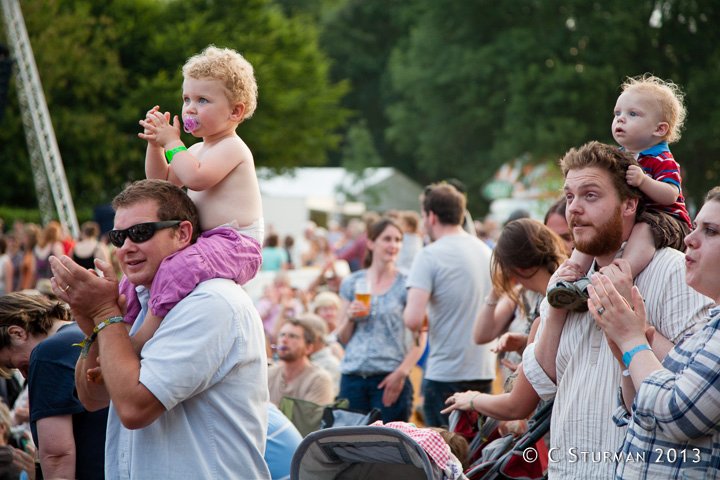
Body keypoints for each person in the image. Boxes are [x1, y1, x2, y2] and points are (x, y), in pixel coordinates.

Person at [49, 179, 270, 479]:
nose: (127, 247)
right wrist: (94, 329)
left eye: (140, 233)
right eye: (118, 237)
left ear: (182, 233)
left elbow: (133, 408)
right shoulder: (138, 300)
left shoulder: (212, 302)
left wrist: (104, 313)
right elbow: (93, 398)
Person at [521, 142, 711, 478]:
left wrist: (635, 329)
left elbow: (698, 389)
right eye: (569, 197)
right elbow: (543, 384)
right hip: (568, 470)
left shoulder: (675, 273)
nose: (574, 209)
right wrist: (556, 310)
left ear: (629, 204)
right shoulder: (566, 280)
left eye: (590, 196)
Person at [130, 44, 264, 350]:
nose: (189, 108)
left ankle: (142, 338)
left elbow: (195, 179)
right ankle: (124, 320)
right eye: (186, 99)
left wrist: (173, 141)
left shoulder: (232, 147)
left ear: (235, 111)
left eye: (202, 100)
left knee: (179, 268)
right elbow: (161, 183)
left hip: (236, 244)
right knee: (146, 265)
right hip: (206, 242)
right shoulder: (194, 150)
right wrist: (156, 146)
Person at [586, 186, 720, 478]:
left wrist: (633, 339)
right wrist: (627, 362)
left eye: (710, 231)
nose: (689, 239)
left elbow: (676, 415)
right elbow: (642, 412)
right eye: (695, 226)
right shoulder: (711, 324)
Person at [548, 75, 691, 311]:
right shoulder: (620, 155)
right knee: (587, 234)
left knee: (644, 229)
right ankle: (569, 277)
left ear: (660, 128)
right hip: (638, 215)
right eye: (617, 114)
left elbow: (671, 195)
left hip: (665, 218)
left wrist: (644, 181)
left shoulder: (662, 159)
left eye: (632, 114)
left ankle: (617, 274)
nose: (621, 119)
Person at [404, 183, 495, 427]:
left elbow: (412, 318)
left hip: (446, 371)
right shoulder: (486, 251)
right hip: (483, 368)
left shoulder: (429, 254)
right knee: (476, 454)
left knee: (444, 456)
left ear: (431, 216)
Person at [0, 292, 108, 479]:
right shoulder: (83, 333)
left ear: (17, 333)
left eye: (13, 364)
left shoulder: (47, 355)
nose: (25, 374)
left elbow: (56, 455)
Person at [337, 218, 425, 422]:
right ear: (370, 242)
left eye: (397, 240)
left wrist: (401, 373)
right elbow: (342, 337)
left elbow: (421, 338)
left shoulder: (408, 283)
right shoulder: (352, 282)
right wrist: (350, 317)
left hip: (388, 378)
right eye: (387, 239)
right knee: (350, 446)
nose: (393, 245)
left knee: (387, 448)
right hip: (353, 377)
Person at [267, 317, 335, 407]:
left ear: (308, 348)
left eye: (292, 336)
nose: (284, 340)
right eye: (282, 335)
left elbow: (309, 419)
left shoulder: (319, 380)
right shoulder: (269, 374)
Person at [33, 221, 65, 286]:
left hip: (39, 283)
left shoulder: (37, 247)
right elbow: (61, 266)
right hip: (52, 284)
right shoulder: (56, 246)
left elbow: (33, 269)